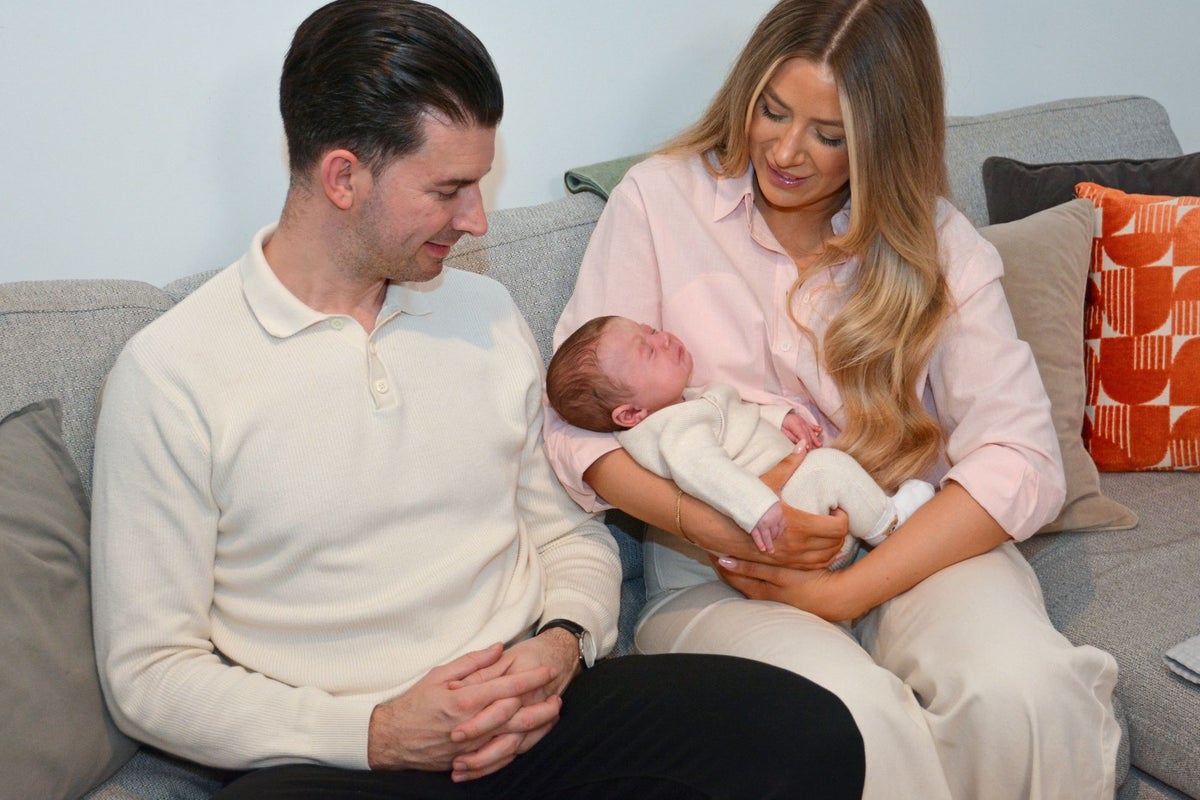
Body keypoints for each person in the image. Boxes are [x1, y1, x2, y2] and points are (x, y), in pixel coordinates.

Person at [88, 1, 866, 798]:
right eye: (449, 189)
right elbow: (149, 675)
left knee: (808, 731)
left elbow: (568, 535)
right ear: (344, 177)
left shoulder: (484, 313)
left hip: (539, 715)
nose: (477, 220)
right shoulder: (173, 375)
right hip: (345, 759)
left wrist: (562, 644)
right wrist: (377, 732)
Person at [542, 0, 1121, 798]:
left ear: (885, 138)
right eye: (772, 111)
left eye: (830, 133)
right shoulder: (659, 202)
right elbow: (578, 433)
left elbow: (1020, 457)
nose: (785, 152)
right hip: (718, 574)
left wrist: (846, 590)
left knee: (1027, 696)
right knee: (850, 722)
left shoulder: (938, 243)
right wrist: (721, 524)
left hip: (907, 540)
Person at [546, 314, 934, 562]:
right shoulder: (674, 430)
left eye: (651, 330)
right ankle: (889, 524)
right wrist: (757, 508)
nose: (663, 339)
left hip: (797, 515)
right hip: (782, 525)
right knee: (827, 468)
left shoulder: (683, 404)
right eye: (647, 351)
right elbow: (703, 470)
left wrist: (779, 417)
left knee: (828, 470)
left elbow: (734, 416)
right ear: (630, 414)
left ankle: (873, 514)